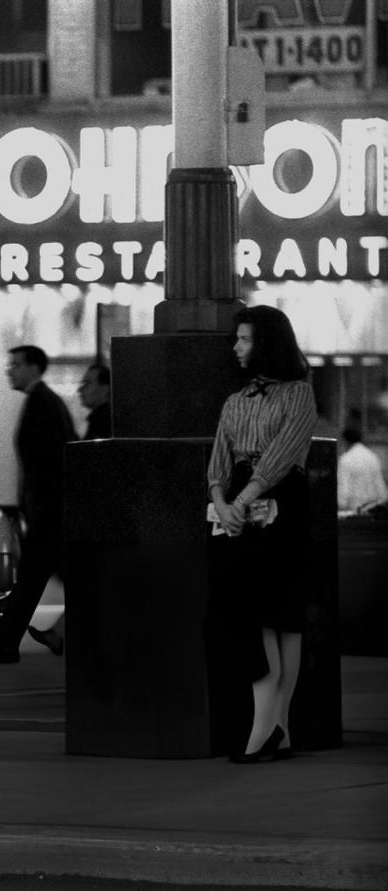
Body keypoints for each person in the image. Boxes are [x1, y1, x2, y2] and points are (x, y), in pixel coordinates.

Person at [207, 305, 317, 763]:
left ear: (267, 343)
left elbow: (281, 457)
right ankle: (274, 730)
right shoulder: (235, 401)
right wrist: (220, 501)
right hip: (238, 502)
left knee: (281, 615)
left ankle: (271, 728)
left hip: (281, 504)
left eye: (245, 339)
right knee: (252, 615)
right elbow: (217, 461)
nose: (237, 346)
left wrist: (240, 499)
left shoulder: (298, 395)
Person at [0, 345, 77, 664]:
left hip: (49, 515)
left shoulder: (42, 403)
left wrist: (39, 512)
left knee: (36, 581)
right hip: (49, 514)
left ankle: (5, 645)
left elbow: (46, 464)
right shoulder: (42, 402)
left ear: (34, 368)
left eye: (16, 365)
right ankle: (6, 644)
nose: (10, 370)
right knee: (37, 582)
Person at [27, 362, 112, 656]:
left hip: (97, 520)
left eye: (87, 383)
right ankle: (61, 633)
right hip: (95, 518)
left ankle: (63, 635)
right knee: (91, 581)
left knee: (92, 580)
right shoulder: (100, 419)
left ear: (106, 388)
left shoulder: (104, 421)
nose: (80, 389)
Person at [337, 425, 387, 516]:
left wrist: (340, 509)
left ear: (345, 441)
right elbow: (382, 491)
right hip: (373, 512)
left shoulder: (345, 459)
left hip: (353, 513)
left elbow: (343, 492)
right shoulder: (373, 457)